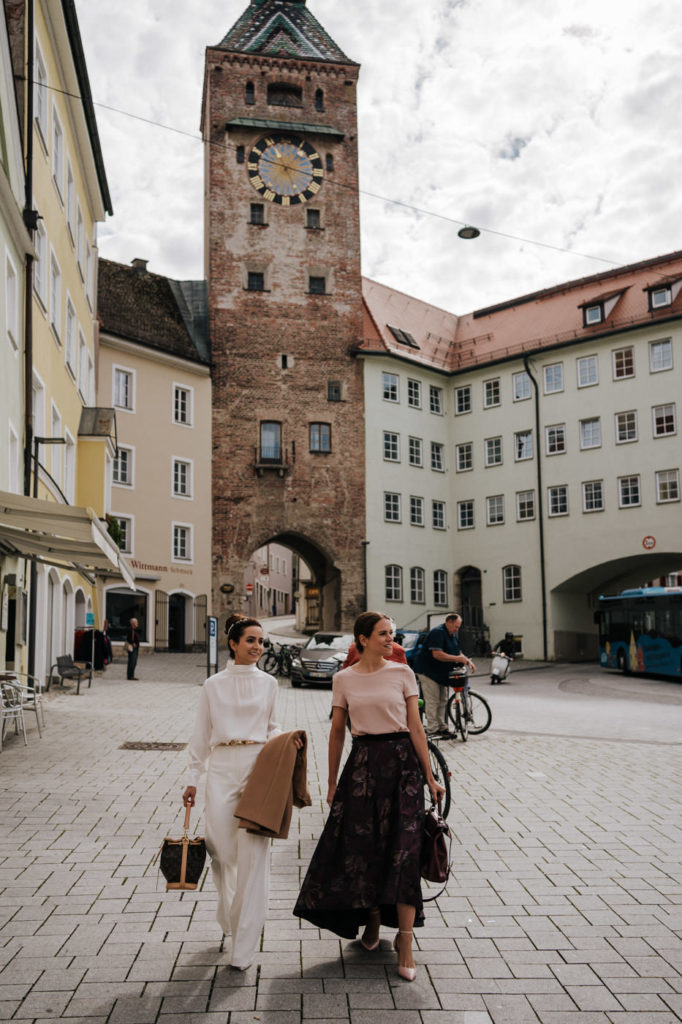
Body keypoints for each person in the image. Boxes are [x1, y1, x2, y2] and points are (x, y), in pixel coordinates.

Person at [294, 611, 445, 983]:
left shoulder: (402, 673)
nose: (390, 641)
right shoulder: (343, 679)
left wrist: (430, 775)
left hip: (403, 768)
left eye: (391, 634)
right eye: (383, 634)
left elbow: (415, 727)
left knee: (404, 854)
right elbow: (336, 733)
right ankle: (373, 923)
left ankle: (405, 943)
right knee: (365, 852)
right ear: (362, 639)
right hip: (362, 768)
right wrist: (330, 782)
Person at [182, 618, 302, 971]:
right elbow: (201, 734)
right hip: (220, 766)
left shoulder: (268, 683)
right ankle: (229, 911)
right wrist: (192, 777)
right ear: (233, 643)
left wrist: (286, 738)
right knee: (220, 851)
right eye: (251, 640)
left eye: (262, 642)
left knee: (253, 855)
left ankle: (244, 944)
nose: (257, 647)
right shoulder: (213, 685)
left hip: (258, 766)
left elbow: (271, 725)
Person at [415, 613, 476, 735]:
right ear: (449, 622)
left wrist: (467, 660)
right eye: (456, 626)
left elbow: (458, 652)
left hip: (440, 673)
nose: (457, 629)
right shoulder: (438, 632)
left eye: (458, 627)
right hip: (428, 671)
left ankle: (442, 727)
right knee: (433, 701)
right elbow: (437, 654)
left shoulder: (452, 635)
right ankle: (433, 729)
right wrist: (458, 659)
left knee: (443, 700)